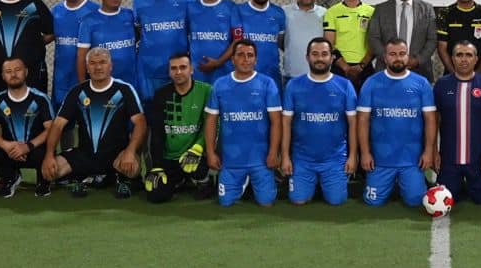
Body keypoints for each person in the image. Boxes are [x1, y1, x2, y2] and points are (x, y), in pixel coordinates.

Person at [41, 47, 146, 199]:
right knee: (49, 173)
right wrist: (49, 155)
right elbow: (58, 125)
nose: (98, 67)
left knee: (133, 168)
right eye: (93, 63)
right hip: (85, 155)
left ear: (111, 65)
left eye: (102, 62)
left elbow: (140, 123)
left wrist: (130, 151)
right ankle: (94, 177)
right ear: (87, 67)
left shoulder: (124, 89)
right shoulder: (77, 91)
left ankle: (107, 177)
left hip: (116, 155)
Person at [357, 38, 437, 208]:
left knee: (415, 202)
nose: (398, 58)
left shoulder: (421, 83)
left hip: (412, 160)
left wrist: (429, 151)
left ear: (408, 56)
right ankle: (390, 183)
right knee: (373, 202)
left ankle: (411, 183)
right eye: (392, 54)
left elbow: (430, 119)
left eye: (402, 54)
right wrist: (365, 153)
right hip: (381, 160)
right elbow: (362, 120)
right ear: (385, 57)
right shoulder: (371, 83)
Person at [204, 39, 282, 207]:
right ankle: (243, 184)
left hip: (261, 160)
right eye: (240, 55)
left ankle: (253, 183)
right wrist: (210, 153)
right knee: (225, 203)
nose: (245, 59)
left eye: (250, 55)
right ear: (232, 59)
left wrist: (273, 153)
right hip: (231, 161)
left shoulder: (267, 84)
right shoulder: (220, 85)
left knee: (267, 202)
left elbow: (276, 122)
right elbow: (211, 121)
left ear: (256, 60)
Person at [281, 38, 357, 206]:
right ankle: (309, 185)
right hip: (302, 159)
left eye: (324, 54)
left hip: (334, 159)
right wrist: (285, 156)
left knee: (336, 201)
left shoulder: (345, 86)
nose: (320, 58)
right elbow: (285, 124)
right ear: (307, 57)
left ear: (332, 58)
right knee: (298, 200)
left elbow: (353, 124)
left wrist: (352, 156)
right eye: (315, 54)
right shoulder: (294, 85)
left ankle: (325, 184)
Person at [434, 39, 481, 206]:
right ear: (452, 58)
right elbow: (434, 120)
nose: (464, 59)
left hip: (478, 159)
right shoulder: (442, 84)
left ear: (476, 59)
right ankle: (456, 183)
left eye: (469, 55)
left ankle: (472, 184)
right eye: (459, 55)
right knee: (447, 198)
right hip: (449, 159)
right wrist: (434, 151)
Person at [0, 56, 54, 198]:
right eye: (8, 71)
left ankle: (43, 180)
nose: (13, 74)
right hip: (11, 151)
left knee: (45, 150)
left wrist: (28, 146)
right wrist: (7, 145)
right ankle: (10, 177)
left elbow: (51, 129)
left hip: (34, 150)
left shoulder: (40, 98)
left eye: (17, 70)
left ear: (26, 72)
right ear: (3, 76)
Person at [143, 53, 213, 203]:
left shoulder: (206, 90)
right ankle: (179, 181)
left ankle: (204, 181)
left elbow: (212, 125)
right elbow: (157, 133)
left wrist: (198, 148)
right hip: (170, 158)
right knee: (155, 195)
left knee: (199, 168)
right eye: (174, 68)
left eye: (183, 67)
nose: (178, 72)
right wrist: (157, 166)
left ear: (191, 69)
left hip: (195, 154)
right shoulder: (161, 94)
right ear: (169, 72)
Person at [133, 0, 190, 100]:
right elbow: (137, 28)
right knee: (152, 107)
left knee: (179, 108)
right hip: (150, 68)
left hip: (178, 68)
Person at [367, 0, 438, 78]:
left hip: (419, 71)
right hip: (386, 71)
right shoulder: (380, 9)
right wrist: (389, 58)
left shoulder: (427, 9)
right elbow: (373, 38)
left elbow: (432, 39)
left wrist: (417, 60)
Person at [77, 0, 141, 90]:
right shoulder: (88, 21)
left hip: (131, 84)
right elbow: (81, 57)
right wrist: (83, 86)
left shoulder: (130, 15)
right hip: (102, 86)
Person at [52, 0, 98, 107]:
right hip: (61, 78)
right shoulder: (55, 11)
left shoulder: (96, 11)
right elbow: (46, 37)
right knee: (61, 116)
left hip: (89, 78)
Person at [188, 0, 241, 83]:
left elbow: (238, 40)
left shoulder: (231, 7)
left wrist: (218, 62)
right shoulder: (190, 8)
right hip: (197, 72)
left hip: (224, 72)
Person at [324, 0, 375, 87]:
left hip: (365, 68)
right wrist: (346, 67)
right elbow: (329, 43)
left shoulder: (372, 12)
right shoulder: (331, 12)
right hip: (339, 68)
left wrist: (361, 66)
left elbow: (374, 42)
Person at [239, 0, 287, 84]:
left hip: (272, 75)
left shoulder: (279, 13)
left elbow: (281, 43)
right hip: (245, 74)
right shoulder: (239, 11)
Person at [281, 0, 325, 86]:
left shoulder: (325, 13)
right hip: (290, 76)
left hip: (318, 76)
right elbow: (280, 40)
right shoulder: (284, 12)